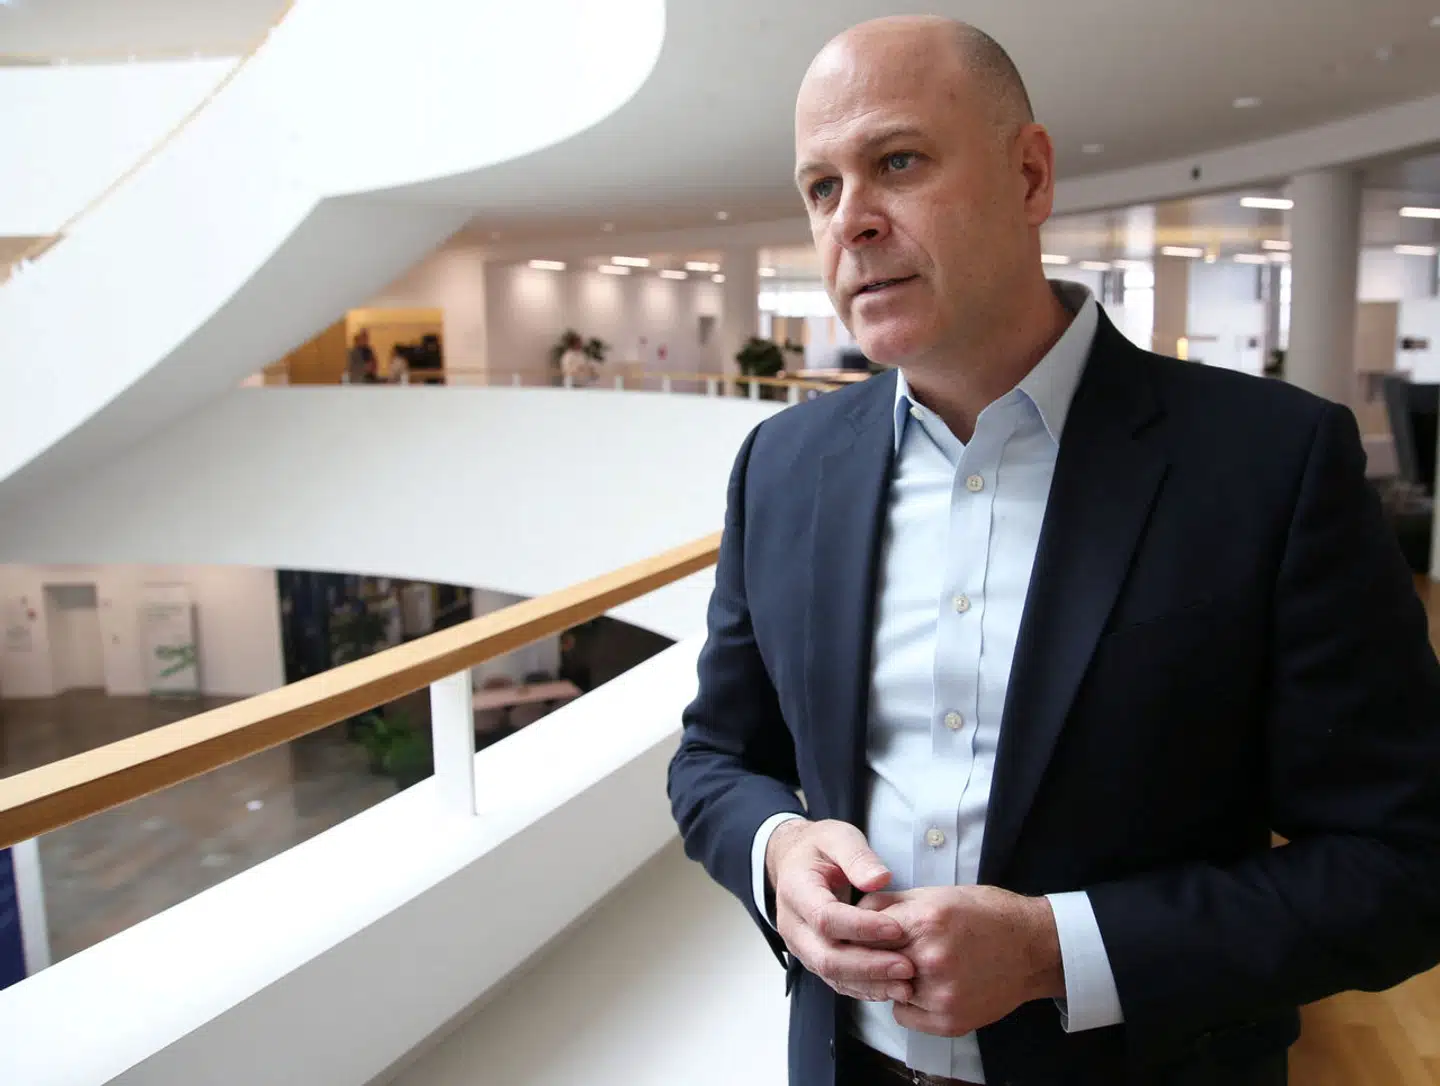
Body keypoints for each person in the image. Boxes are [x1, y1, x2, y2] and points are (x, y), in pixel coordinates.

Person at [667, 16, 1440, 1086]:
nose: (853, 221)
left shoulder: (1271, 463)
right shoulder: (783, 467)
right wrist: (778, 851)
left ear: (1030, 175)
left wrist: (1055, 951)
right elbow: (715, 758)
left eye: (898, 161)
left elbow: (1405, 864)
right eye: (821, 187)